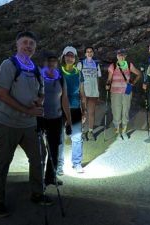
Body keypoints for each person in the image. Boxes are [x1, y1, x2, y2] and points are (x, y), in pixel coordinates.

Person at [0, 31, 52, 218]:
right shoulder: (8, 65)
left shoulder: (35, 69)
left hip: (29, 124)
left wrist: (39, 103)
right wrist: (27, 110)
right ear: (17, 45)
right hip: (7, 121)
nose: (28, 46)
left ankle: (36, 192)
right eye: (25, 42)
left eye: (32, 43)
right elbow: (2, 94)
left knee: (38, 157)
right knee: (3, 161)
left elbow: (41, 92)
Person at [38, 52, 72, 186]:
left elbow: (64, 100)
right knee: (40, 149)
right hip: (41, 118)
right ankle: (37, 177)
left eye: (54, 61)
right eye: (49, 61)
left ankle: (50, 177)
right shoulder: (38, 77)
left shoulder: (60, 78)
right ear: (44, 63)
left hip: (56, 118)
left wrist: (69, 120)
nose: (51, 64)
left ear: (57, 63)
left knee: (54, 149)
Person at [57, 46, 86, 175]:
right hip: (59, 108)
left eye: (72, 56)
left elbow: (82, 93)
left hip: (74, 107)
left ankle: (77, 163)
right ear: (63, 57)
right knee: (59, 137)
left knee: (77, 136)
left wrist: (84, 110)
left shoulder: (79, 73)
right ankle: (59, 165)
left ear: (75, 59)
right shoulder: (58, 72)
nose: (70, 58)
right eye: (67, 55)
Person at [105, 48, 141, 140]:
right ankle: (117, 133)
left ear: (125, 56)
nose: (121, 57)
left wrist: (133, 83)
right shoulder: (112, 66)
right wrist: (108, 84)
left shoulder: (129, 65)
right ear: (117, 56)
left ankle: (124, 132)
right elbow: (109, 79)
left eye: (122, 55)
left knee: (125, 111)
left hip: (127, 92)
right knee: (116, 112)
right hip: (115, 92)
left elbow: (139, 74)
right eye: (119, 55)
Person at [77, 47, 102, 141]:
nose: (89, 53)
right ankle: (82, 131)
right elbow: (78, 78)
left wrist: (98, 90)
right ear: (85, 54)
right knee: (83, 112)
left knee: (91, 112)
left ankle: (90, 132)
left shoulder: (96, 64)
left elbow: (97, 78)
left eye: (91, 52)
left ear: (93, 53)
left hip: (93, 92)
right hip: (84, 92)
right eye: (87, 52)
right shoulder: (81, 64)